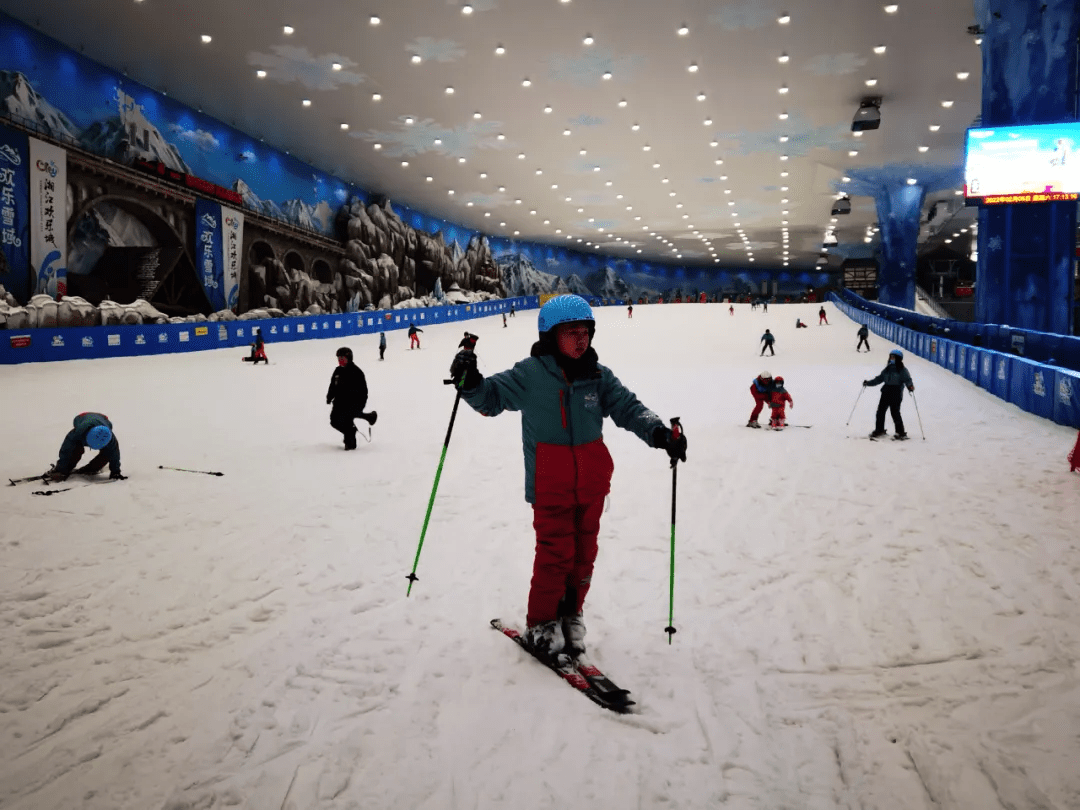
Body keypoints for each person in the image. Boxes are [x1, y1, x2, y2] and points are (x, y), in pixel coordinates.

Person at [447, 294, 686, 660]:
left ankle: (572, 613)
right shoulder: (530, 374)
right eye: (571, 332)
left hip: (592, 483)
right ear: (550, 336)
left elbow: (628, 407)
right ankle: (541, 623)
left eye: (585, 331)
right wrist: (470, 381)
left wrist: (658, 433)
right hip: (550, 485)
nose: (580, 340)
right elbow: (490, 399)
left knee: (584, 555)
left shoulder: (597, 376)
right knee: (554, 555)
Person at [48, 412, 124, 481]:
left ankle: (92, 468)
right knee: (75, 450)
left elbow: (114, 454)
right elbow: (67, 450)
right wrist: (61, 469)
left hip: (103, 419)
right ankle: (65, 469)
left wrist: (115, 472)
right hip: (82, 417)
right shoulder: (78, 433)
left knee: (108, 452)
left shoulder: (109, 438)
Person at [327, 347, 377, 450]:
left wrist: (358, 405)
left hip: (352, 403)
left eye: (342, 358)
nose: (340, 360)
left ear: (348, 358)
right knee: (334, 421)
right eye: (338, 358)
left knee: (346, 421)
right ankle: (366, 419)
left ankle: (350, 445)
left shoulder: (356, 372)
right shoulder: (338, 371)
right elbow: (333, 385)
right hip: (338, 403)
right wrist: (329, 396)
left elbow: (363, 392)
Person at [864, 349, 914, 439]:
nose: (891, 358)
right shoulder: (887, 369)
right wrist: (868, 383)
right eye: (891, 356)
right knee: (880, 412)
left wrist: (910, 386)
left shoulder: (902, 370)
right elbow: (879, 379)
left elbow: (907, 379)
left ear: (898, 358)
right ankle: (879, 430)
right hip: (886, 391)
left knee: (895, 412)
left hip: (896, 392)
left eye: (893, 357)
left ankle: (900, 432)